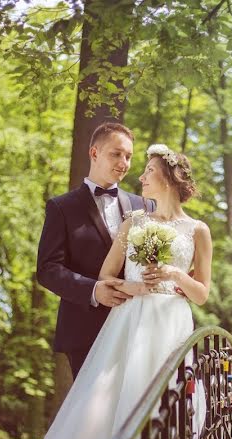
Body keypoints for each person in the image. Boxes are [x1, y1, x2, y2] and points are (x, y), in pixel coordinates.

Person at [9, 143, 213, 439]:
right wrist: (133, 288)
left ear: (168, 179)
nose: (141, 176)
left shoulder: (198, 230)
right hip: (129, 321)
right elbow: (106, 277)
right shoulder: (134, 223)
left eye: (149, 170)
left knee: (169, 409)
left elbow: (202, 292)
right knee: (109, 403)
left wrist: (174, 275)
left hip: (172, 322)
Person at [36, 122, 153, 379]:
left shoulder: (145, 206)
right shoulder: (61, 207)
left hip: (138, 329)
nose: (124, 162)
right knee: (95, 416)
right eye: (116, 153)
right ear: (94, 153)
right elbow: (47, 270)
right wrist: (93, 290)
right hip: (85, 330)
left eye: (129, 156)